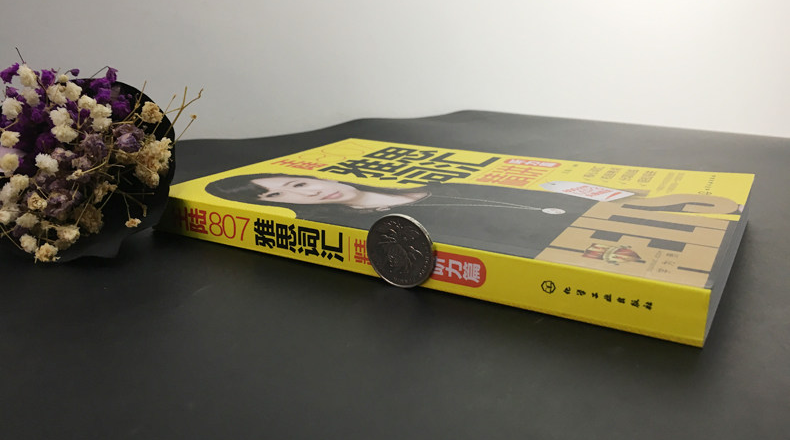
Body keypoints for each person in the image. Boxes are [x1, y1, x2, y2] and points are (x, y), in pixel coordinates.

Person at [205, 173, 597, 259]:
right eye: (279, 195)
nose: (307, 193)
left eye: (298, 182)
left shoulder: (441, 183)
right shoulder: (364, 231)